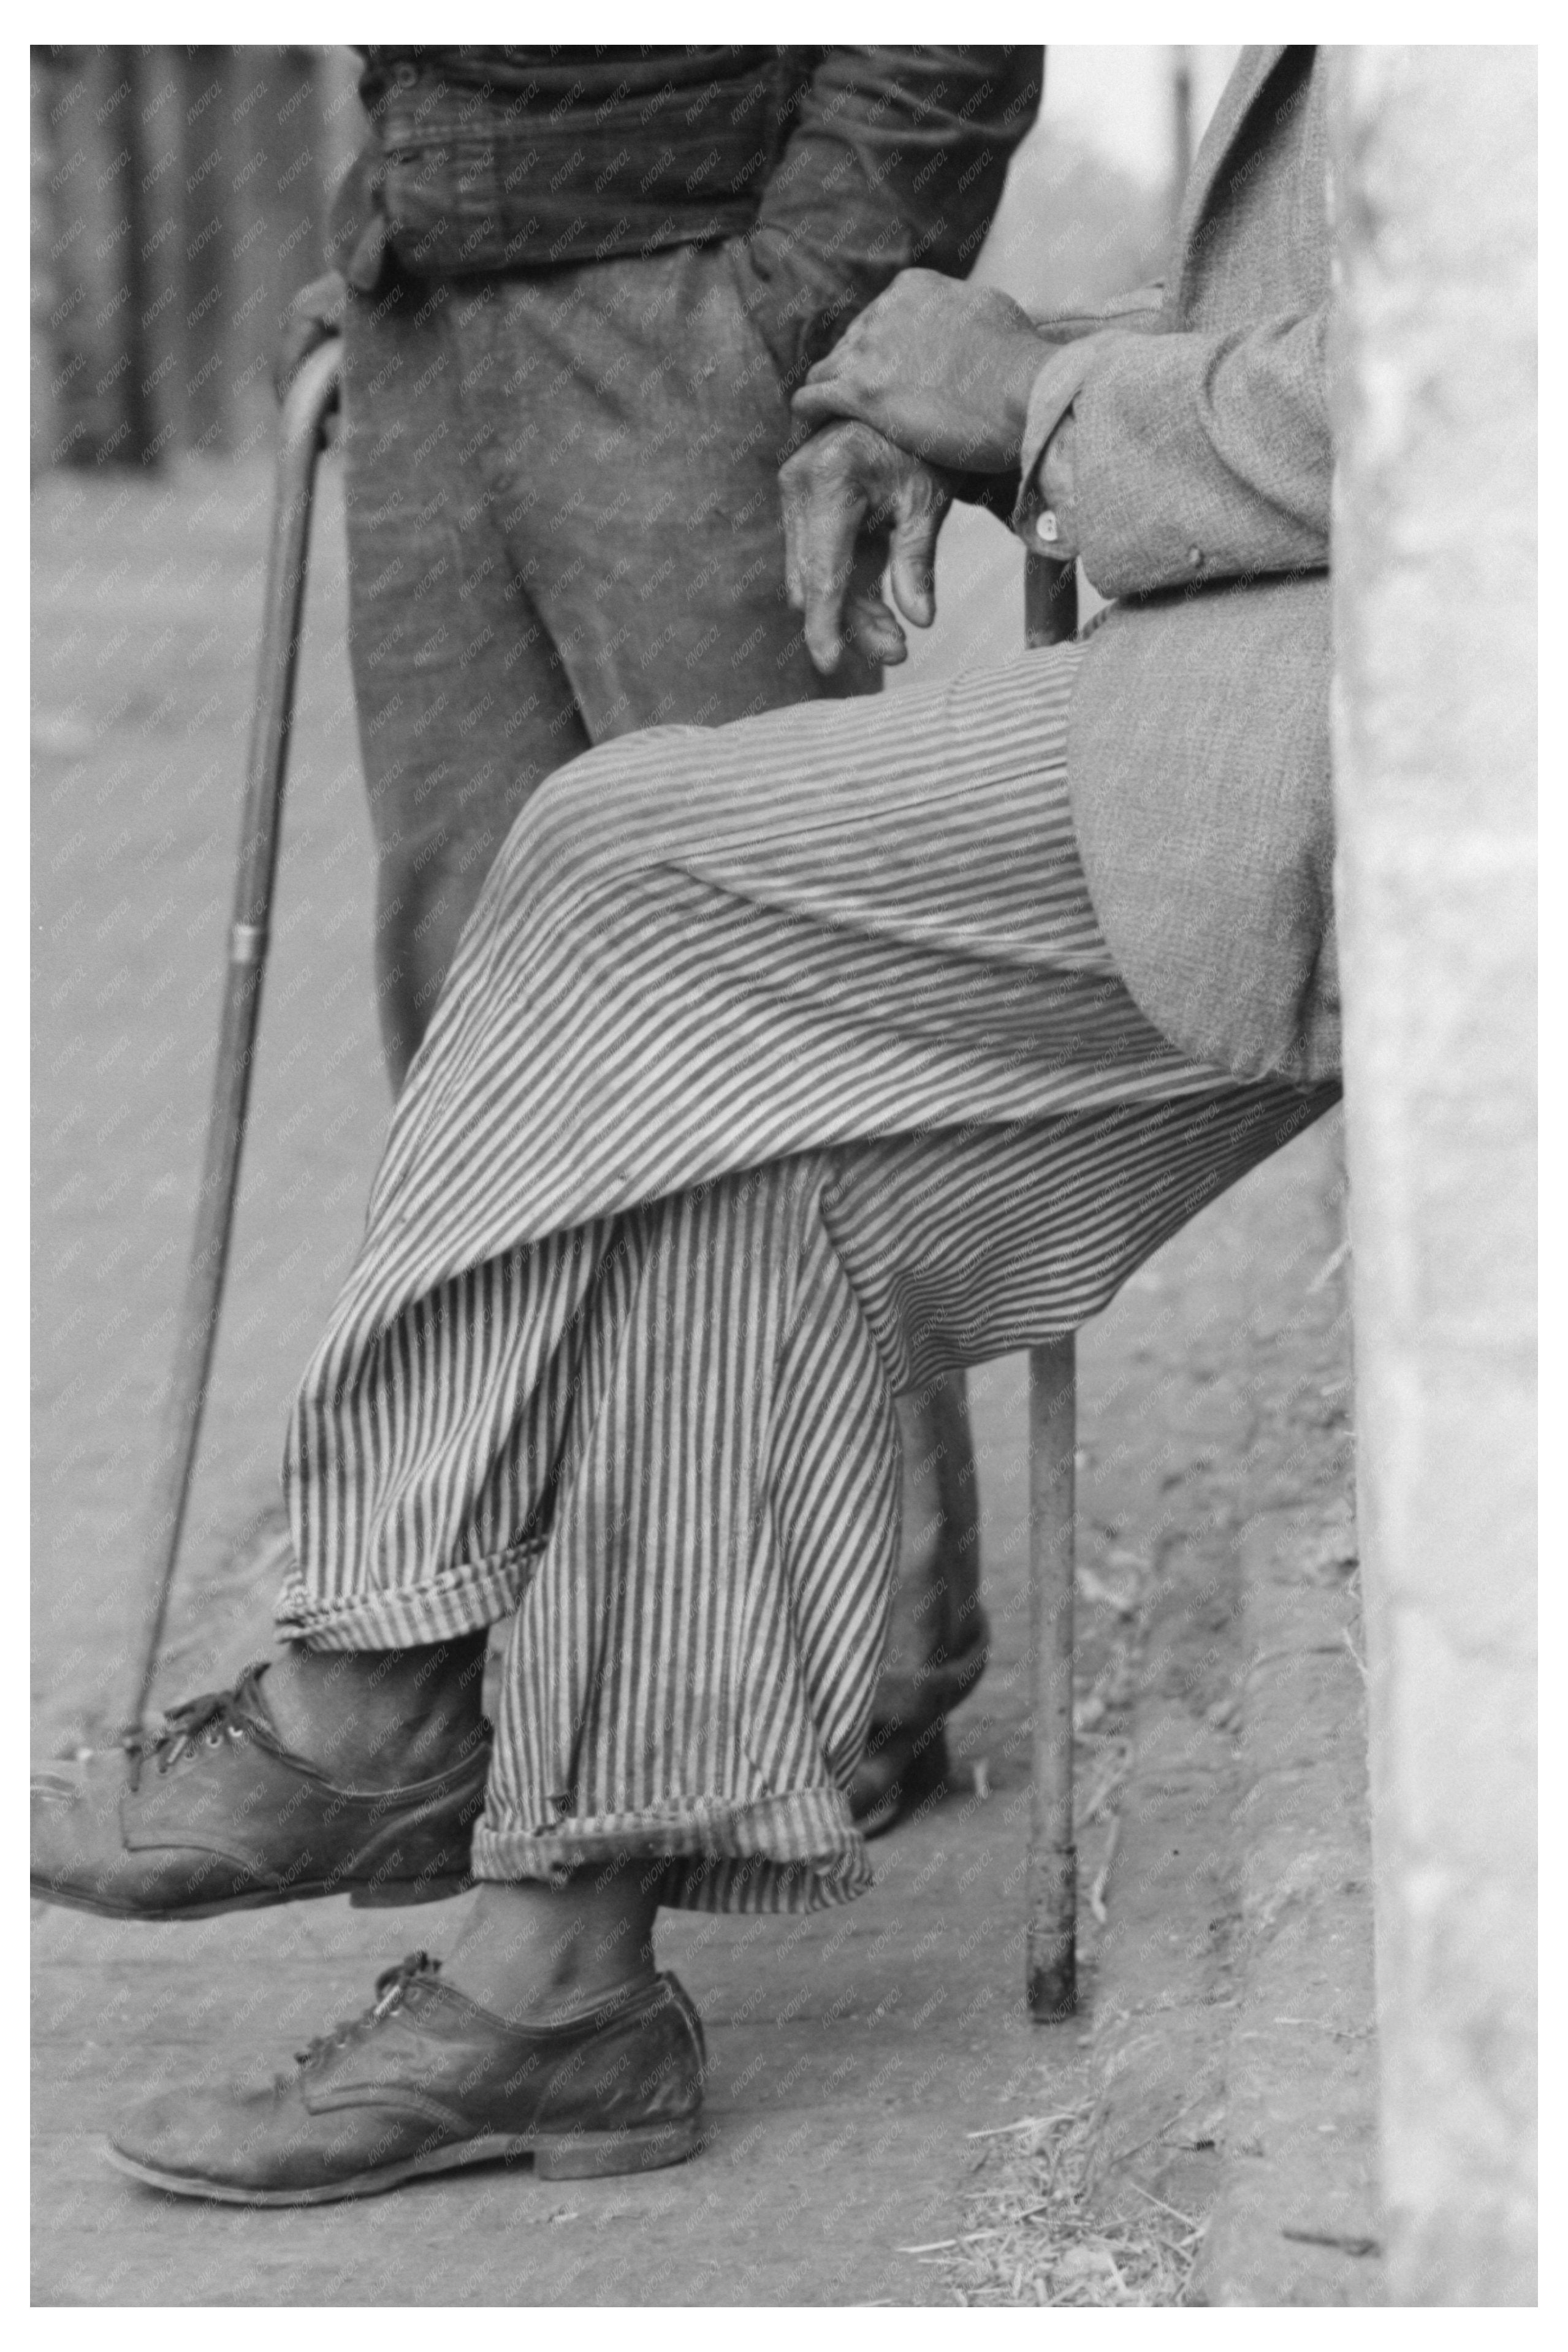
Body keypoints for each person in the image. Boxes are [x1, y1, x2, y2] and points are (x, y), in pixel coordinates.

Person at [34, 45, 1339, 2204]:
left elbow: (1496, 421)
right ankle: (563, 1993)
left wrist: (1001, 380)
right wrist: (411, 217)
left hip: (1383, 726)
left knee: (620, 871)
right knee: (729, 1166)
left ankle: (378, 1685)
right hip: (1219, 643)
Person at [273, 45, 1047, 1833]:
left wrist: (805, 313)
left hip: (698, 300)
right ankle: (547, 1686)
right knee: (478, 1023)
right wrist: (400, 211)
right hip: (432, 316)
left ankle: (860, 1666)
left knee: (771, 1008)